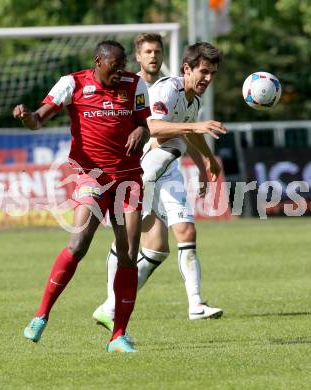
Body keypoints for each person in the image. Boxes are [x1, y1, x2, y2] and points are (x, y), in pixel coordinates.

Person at [13, 40, 154, 353]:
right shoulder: (72, 83)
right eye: (115, 65)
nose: (121, 70)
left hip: (128, 179)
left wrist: (140, 131)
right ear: (98, 62)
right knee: (79, 243)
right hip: (90, 177)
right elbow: (38, 120)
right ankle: (41, 315)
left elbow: (145, 124)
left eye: (123, 65)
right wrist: (26, 116)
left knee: (129, 253)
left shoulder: (135, 84)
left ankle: (118, 336)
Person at [93, 39, 227, 334]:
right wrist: (195, 128)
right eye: (203, 71)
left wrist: (208, 162)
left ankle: (195, 305)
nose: (207, 78)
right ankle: (111, 306)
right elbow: (152, 126)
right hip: (141, 169)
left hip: (166, 170)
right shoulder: (168, 89)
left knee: (184, 233)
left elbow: (189, 133)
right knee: (140, 244)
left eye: (212, 74)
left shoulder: (194, 100)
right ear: (186, 68)